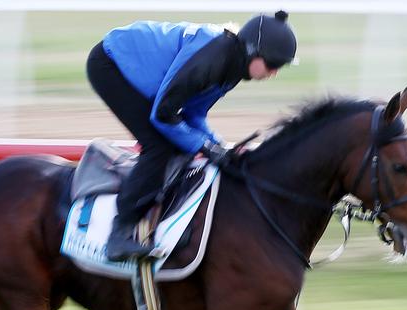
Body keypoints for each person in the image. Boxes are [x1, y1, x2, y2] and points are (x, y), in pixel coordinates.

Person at [86, 10, 298, 261]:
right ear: (253, 50)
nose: (274, 72)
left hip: (142, 75)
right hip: (109, 65)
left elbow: (194, 115)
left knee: (180, 143)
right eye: (274, 63)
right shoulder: (214, 58)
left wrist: (219, 145)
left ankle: (159, 209)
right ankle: (119, 234)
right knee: (159, 147)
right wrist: (206, 147)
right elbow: (164, 114)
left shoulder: (232, 66)